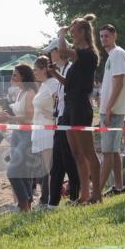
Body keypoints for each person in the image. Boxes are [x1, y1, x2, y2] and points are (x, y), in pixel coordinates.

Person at [58, 14, 102, 203]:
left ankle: (97, 194)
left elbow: (61, 50)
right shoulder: (77, 59)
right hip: (69, 105)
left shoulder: (88, 54)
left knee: (88, 152)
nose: (71, 34)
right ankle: (84, 194)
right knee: (77, 153)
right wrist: (53, 74)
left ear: (83, 32)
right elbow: (69, 83)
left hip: (81, 106)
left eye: (73, 31)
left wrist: (61, 33)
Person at [97, 25, 125, 197]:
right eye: (101, 36)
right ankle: (118, 186)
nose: (103, 39)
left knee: (108, 152)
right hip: (110, 109)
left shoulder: (118, 53)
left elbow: (118, 82)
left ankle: (96, 193)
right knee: (114, 150)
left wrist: (109, 107)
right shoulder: (113, 55)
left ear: (114, 35)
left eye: (106, 35)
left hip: (113, 110)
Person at [0, 64, 38, 212]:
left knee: (12, 172)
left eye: (15, 75)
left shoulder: (30, 93)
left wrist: (10, 118)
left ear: (23, 77)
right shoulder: (19, 92)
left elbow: (29, 118)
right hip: (17, 134)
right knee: (23, 172)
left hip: (27, 134)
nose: (12, 77)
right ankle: (27, 203)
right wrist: (5, 116)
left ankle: (24, 203)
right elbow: (17, 113)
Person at [46, 47, 81, 206]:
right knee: (58, 165)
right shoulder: (62, 69)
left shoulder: (69, 69)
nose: (49, 56)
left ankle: (74, 196)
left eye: (52, 52)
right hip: (60, 120)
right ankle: (53, 202)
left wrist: (54, 74)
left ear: (59, 52)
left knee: (68, 161)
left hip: (67, 120)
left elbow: (69, 87)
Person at [31, 57, 59, 206]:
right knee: (44, 168)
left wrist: (53, 115)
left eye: (36, 69)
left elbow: (59, 100)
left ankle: (47, 199)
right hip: (40, 130)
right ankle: (45, 198)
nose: (34, 72)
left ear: (44, 70)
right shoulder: (44, 85)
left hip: (47, 131)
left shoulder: (53, 83)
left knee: (49, 168)